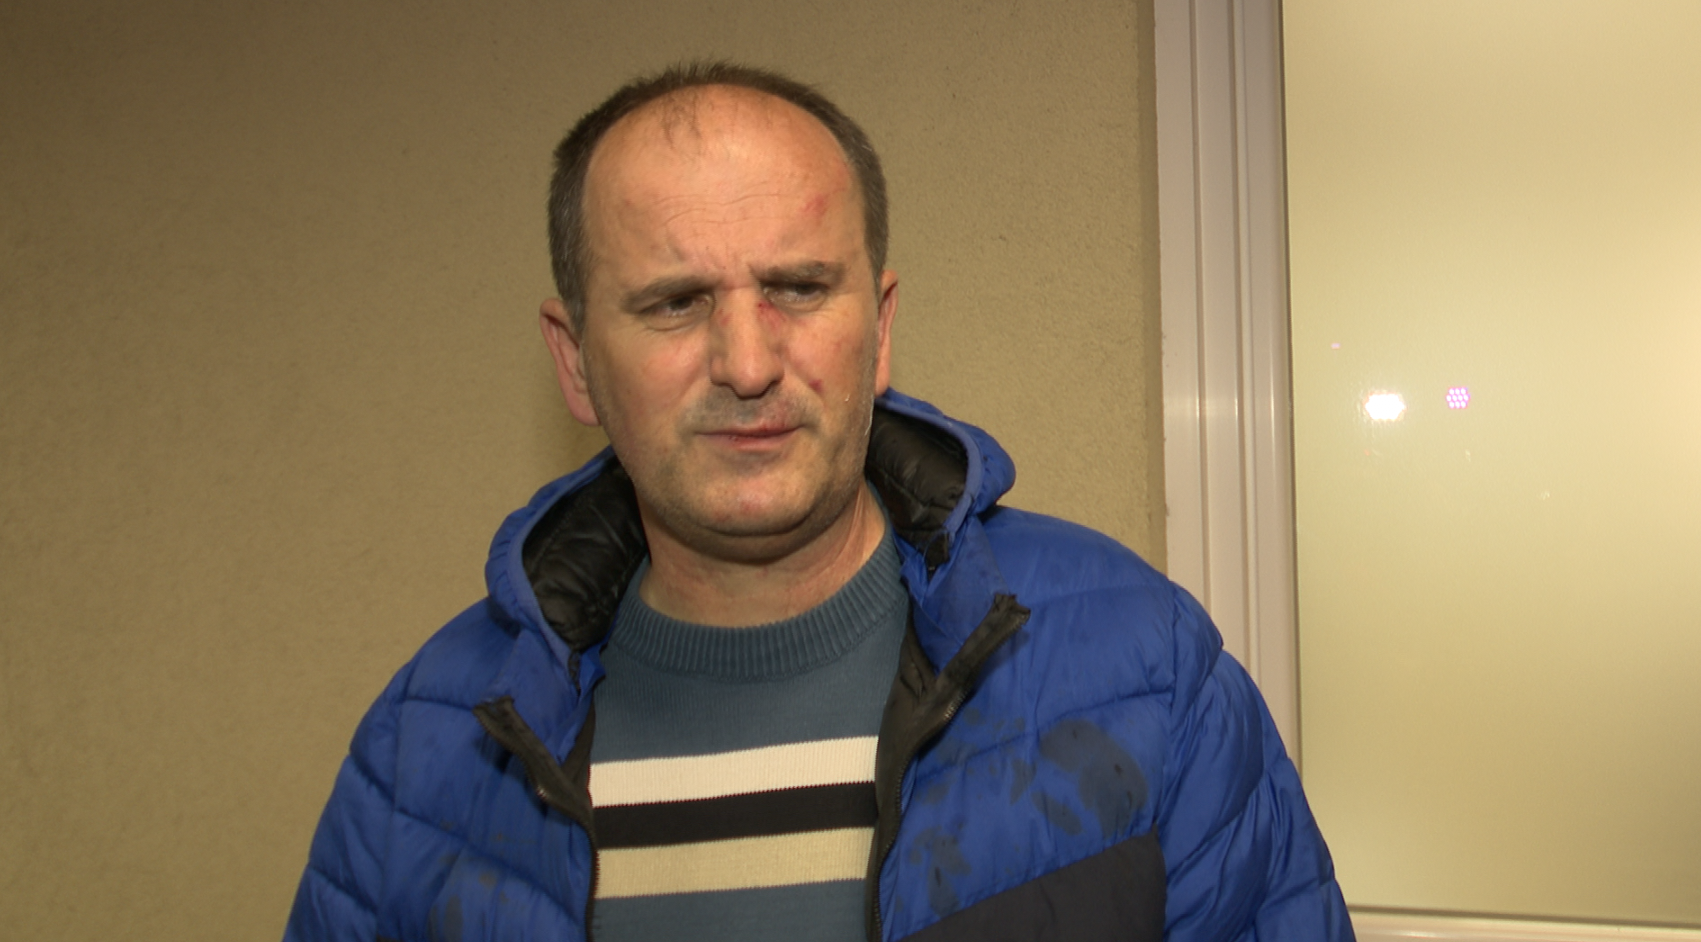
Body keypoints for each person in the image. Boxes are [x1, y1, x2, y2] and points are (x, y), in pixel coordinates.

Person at [284, 61, 1352, 942]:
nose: (748, 364)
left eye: (797, 289)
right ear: (574, 362)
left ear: (879, 330)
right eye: (675, 303)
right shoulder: (425, 757)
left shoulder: (1144, 674)